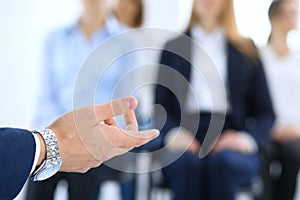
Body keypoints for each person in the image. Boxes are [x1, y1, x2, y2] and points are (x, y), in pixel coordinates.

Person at [154, 0, 275, 199]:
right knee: (187, 165)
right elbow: (159, 107)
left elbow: (266, 113)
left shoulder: (247, 50)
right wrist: (173, 134)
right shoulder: (172, 48)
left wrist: (245, 139)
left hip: (230, 134)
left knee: (225, 164)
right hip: (184, 132)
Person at [26, 0, 145, 199]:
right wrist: (59, 135)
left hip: (100, 139)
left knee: (85, 171)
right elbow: (45, 96)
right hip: (55, 134)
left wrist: (91, 135)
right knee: (39, 171)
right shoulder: (55, 39)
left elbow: (127, 103)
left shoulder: (127, 42)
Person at [0, 97, 159, 200]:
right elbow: (46, 99)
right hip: (54, 130)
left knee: (85, 173)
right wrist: (57, 138)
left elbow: (131, 101)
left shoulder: (124, 46)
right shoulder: (55, 43)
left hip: (103, 132)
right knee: (41, 177)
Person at [260, 1, 300, 200]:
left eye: (295, 13)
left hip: (293, 132)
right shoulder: (259, 57)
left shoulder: (298, 59)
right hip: (266, 130)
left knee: (293, 154)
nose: (293, 18)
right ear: (274, 17)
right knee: (262, 155)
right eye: (289, 13)